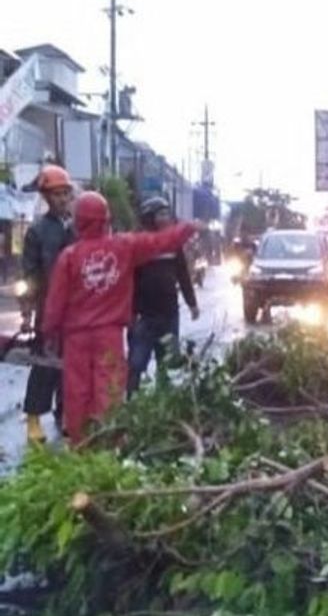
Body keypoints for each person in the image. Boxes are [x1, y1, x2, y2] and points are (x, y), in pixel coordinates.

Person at [41, 192, 197, 445]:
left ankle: (80, 444)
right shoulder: (124, 247)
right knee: (109, 389)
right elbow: (159, 241)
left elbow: (55, 302)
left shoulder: (69, 257)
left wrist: (49, 333)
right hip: (109, 335)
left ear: (78, 221)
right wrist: (187, 229)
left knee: (77, 390)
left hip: (76, 337)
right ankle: (109, 442)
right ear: (106, 219)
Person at [18, 165, 75, 444]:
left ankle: (66, 415)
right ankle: (33, 419)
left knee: (71, 367)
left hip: (76, 312)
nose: (62, 199)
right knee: (44, 366)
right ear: (46, 197)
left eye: (65, 193)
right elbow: (29, 273)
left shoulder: (79, 227)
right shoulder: (37, 232)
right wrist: (27, 311)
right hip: (48, 309)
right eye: (56, 194)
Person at [127, 197, 200, 397]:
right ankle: (131, 400)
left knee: (167, 362)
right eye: (161, 214)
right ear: (149, 217)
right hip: (144, 316)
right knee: (136, 363)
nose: (166, 218)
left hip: (169, 313)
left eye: (168, 213)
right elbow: (128, 281)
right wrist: (130, 314)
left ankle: (164, 400)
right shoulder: (139, 244)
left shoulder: (173, 245)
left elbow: (183, 275)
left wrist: (192, 303)